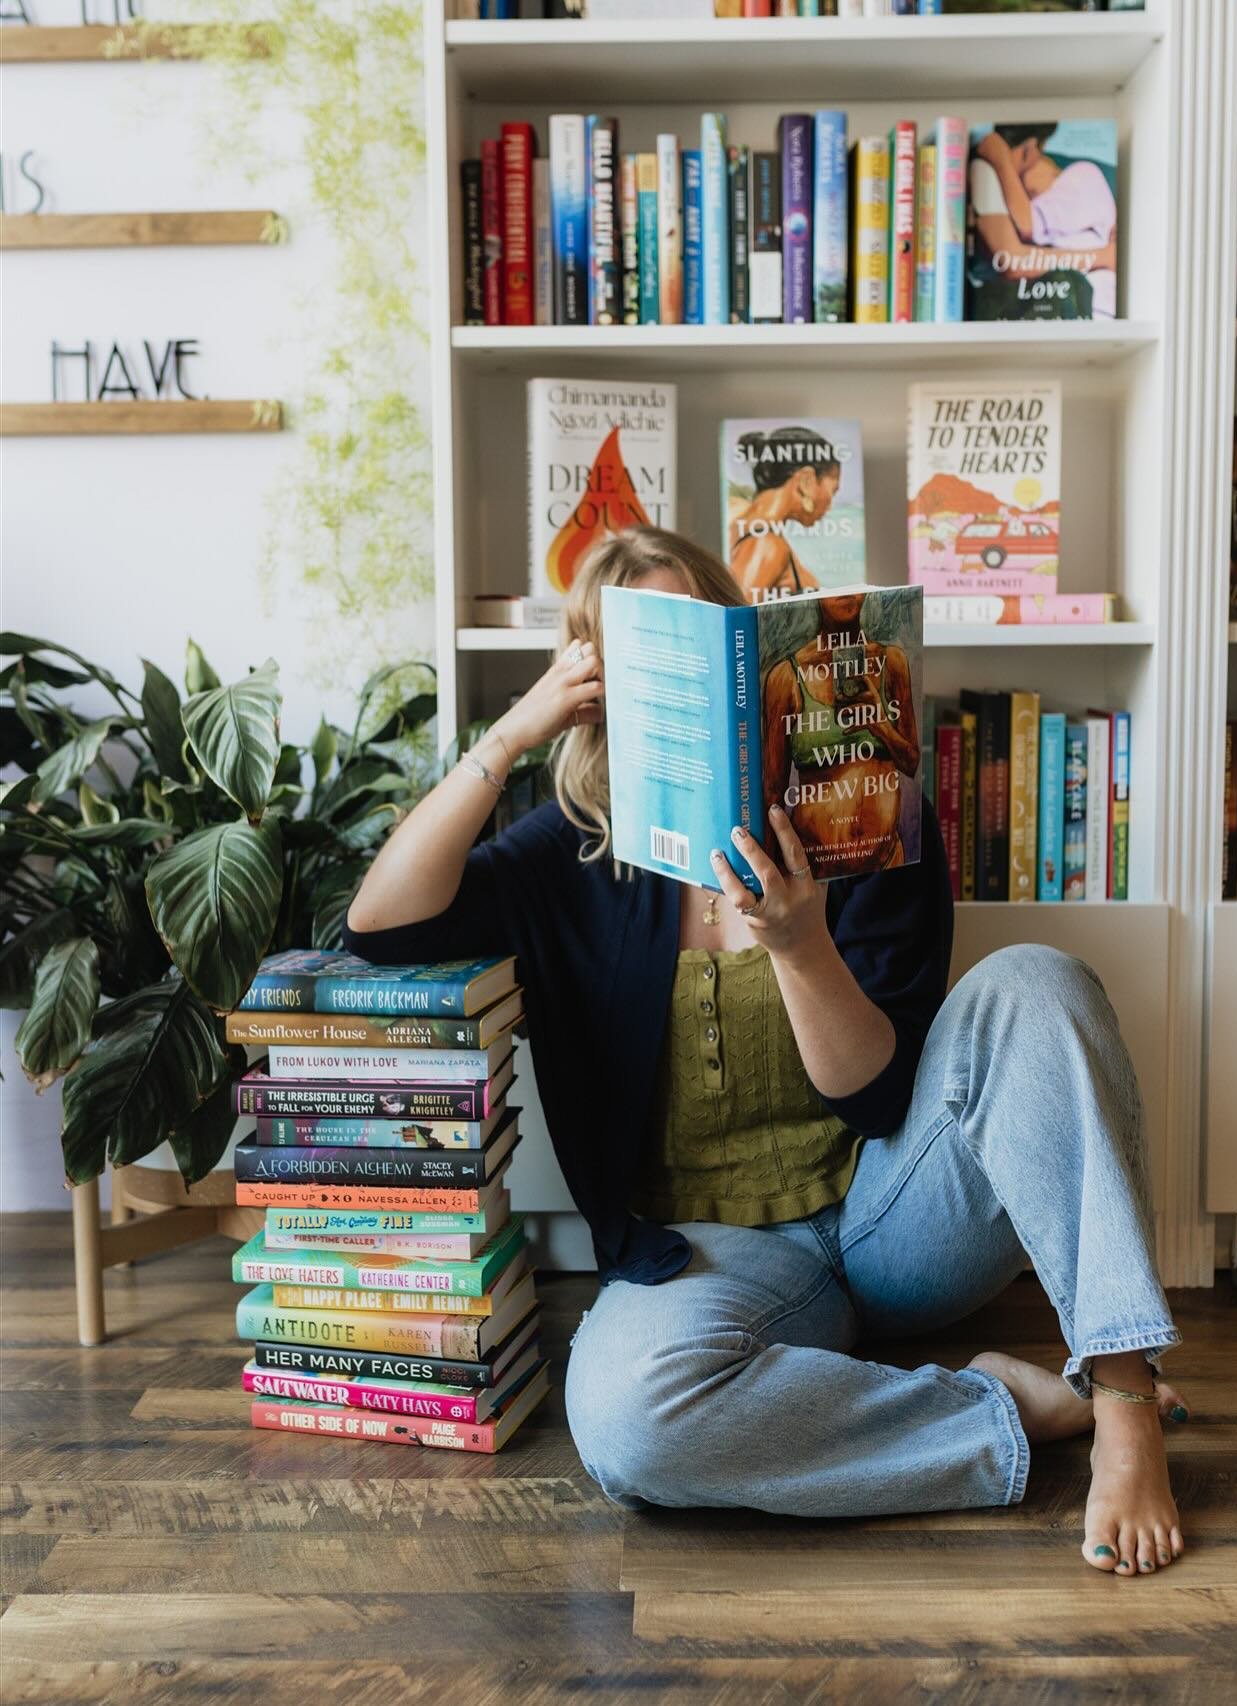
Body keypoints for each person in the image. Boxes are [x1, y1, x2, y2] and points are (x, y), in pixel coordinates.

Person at [342, 525, 1189, 1577]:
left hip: (893, 1210)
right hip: (710, 1254)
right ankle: (991, 1409)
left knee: (1037, 980)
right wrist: (512, 731)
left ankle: (1122, 1397)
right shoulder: (572, 849)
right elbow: (379, 925)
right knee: (627, 1422)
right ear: (593, 682)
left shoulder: (857, 815)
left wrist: (797, 939)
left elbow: (879, 1093)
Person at [760, 589, 921, 876]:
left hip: (888, 865)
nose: (846, 597)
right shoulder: (786, 676)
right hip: (813, 874)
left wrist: (880, 723)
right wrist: (768, 879)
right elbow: (773, 791)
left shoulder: (891, 661)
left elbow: (910, 762)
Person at [970, 123, 1119, 319]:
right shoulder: (1059, 224)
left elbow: (1027, 224)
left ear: (1030, 151)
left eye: (1019, 178)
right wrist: (1102, 257)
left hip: (1094, 310)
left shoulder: (1083, 176)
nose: (1017, 190)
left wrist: (1001, 161)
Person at [727, 425, 846, 597]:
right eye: (833, 490)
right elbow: (737, 617)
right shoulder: (766, 544)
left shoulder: (745, 523)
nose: (830, 505)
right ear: (806, 480)